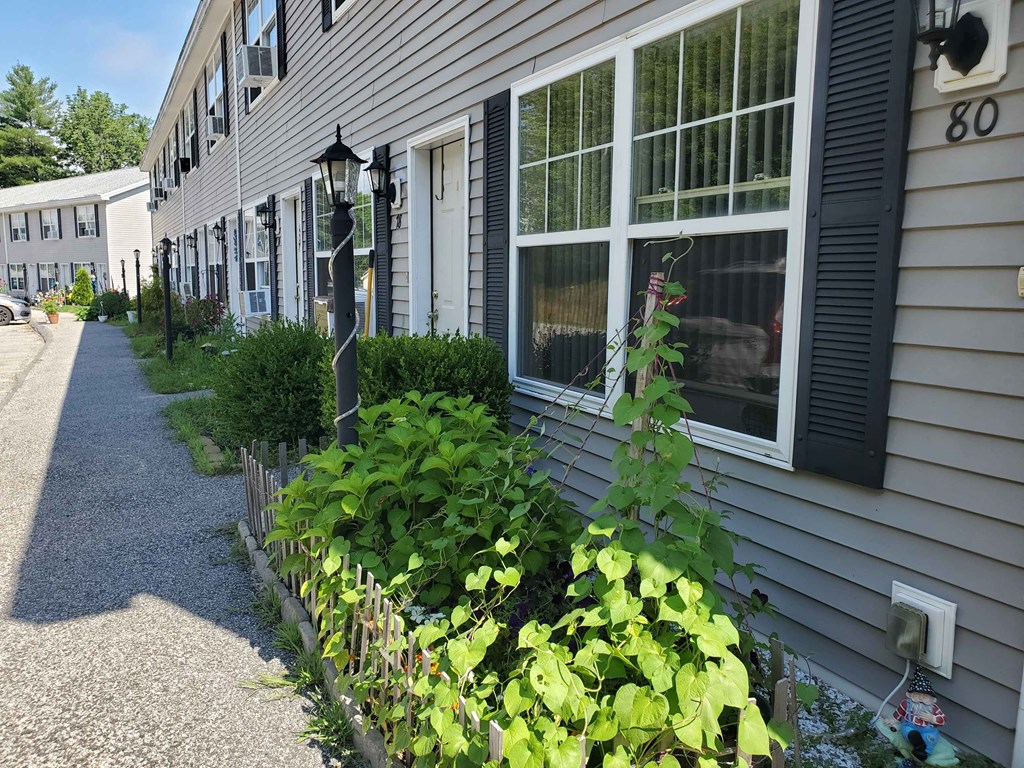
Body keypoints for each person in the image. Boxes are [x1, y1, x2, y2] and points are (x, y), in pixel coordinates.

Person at [891, 667, 946, 762]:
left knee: (930, 738)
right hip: (910, 727)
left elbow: (943, 719)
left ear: (933, 700)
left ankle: (925, 753)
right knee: (911, 733)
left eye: (925, 696)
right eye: (917, 695)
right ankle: (919, 748)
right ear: (909, 695)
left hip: (928, 731)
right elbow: (899, 712)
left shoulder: (933, 708)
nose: (920, 698)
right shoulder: (906, 704)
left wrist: (933, 719)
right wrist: (894, 720)